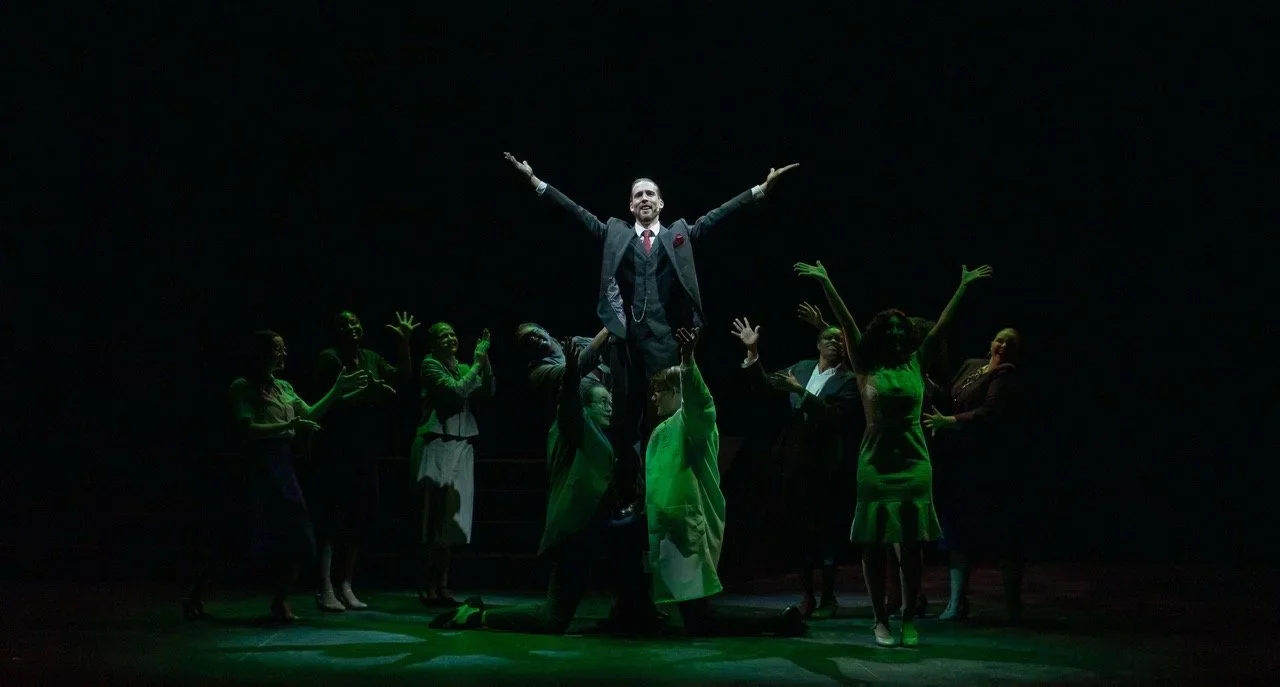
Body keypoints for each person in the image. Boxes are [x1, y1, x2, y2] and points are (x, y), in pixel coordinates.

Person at [501, 153, 800, 471]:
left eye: (650, 194)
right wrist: (536, 182)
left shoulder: (678, 235)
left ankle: (658, 482)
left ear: (660, 204)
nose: (644, 199)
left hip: (664, 341)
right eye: (638, 195)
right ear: (631, 206)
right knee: (621, 421)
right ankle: (629, 487)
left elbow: (718, 216)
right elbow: (576, 213)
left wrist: (760, 190)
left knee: (662, 417)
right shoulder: (615, 233)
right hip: (625, 343)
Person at [795, 260, 992, 648]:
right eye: (894, 328)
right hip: (875, 458)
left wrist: (964, 286)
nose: (901, 333)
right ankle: (879, 619)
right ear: (881, 333)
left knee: (913, 544)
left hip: (914, 457)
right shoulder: (865, 363)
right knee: (874, 543)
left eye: (905, 328)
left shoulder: (917, 362)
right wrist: (827, 281)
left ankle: (906, 616)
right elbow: (847, 322)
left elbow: (941, 326)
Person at [427, 339, 659, 633]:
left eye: (610, 400)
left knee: (626, 549)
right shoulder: (576, 426)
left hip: (590, 532)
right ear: (586, 406)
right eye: (602, 401)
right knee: (553, 618)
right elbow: (569, 406)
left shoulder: (595, 438)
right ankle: (477, 616)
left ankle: (634, 611)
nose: (609, 406)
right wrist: (573, 375)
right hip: (574, 533)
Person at [184, 330, 368, 622]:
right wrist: (288, 426)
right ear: (262, 354)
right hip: (256, 467)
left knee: (299, 536)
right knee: (236, 537)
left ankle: (280, 600)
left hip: (283, 467)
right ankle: (196, 594)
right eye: (278, 349)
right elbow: (248, 428)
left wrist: (337, 389)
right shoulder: (242, 387)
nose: (284, 354)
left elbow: (309, 412)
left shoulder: (283, 386)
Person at [644, 328, 806, 636]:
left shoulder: (693, 423)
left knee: (699, 618)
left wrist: (688, 360)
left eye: (661, 390)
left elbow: (698, 399)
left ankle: (780, 620)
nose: (654, 396)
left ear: (677, 391)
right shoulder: (660, 432)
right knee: (690, 614)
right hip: (666, 529)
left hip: (687, 528)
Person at [731, 315, 858, 619]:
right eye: (829, 337)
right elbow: (765, 385)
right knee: (800, 532)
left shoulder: (849, 380)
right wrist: (752, 352)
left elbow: (834, 416)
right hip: (794, 463)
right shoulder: (801, 368)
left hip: (826, 465)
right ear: (817, 344)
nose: (835, 342)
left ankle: (828, 597)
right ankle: (807, 596)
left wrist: (801, 393)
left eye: (840, 339)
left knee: (826, 533)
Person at [310, 310, 416, 612]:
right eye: (343, 323)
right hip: (334, 450)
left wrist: (404, 343)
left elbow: (402, 378)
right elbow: (324, 405)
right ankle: (325, 586)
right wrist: (364, 393)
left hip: (365, 449)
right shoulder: (329, 359)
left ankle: (346, 583)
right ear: (335, 331)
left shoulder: (370, 357)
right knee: (332, 519)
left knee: (358, 520)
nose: (351, 327)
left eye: (355, 322)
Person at [923, 327, 1028, 624]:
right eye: (1000, 338)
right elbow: (949, 395)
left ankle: (1012, 605)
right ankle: (956, 603)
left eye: (1011, 342)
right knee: (958, 534)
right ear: (990, 341)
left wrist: (950, 421)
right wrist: (925, 381)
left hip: (992, 466)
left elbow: (989, 412)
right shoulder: (972, 365)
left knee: (1004, 535)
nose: (1003, 345)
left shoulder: (1006, 375)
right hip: (961, 464)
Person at [410, 323, 494, 606]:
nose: (451, 337)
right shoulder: (430, 365)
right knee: (432, 517)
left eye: (453, 333)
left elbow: (487, 391)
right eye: (443, 335)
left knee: (452, 520)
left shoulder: (461, 366)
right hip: (438, 442)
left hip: (462, 443)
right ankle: (427, 584)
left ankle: (443, 584)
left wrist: (486, 360)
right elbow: (456, 393)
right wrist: (477, 366)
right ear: (433, 344)